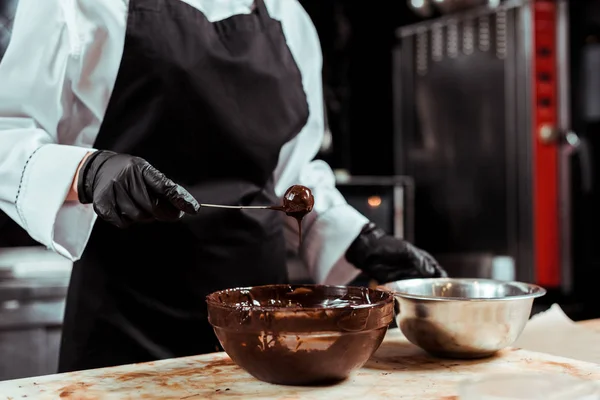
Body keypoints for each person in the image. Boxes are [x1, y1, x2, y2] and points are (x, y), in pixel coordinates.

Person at [0, 0, 446, 372]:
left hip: (265, 328)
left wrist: (358, 238)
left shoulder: (285, 13)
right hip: (129, 323)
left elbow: (290, 174)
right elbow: (7, 132)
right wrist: (89, 171)